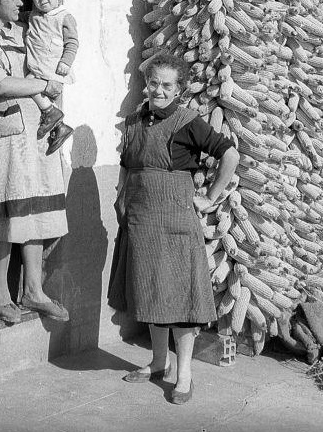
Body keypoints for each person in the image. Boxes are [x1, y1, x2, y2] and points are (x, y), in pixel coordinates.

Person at [108, 51, 238, 405]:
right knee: (151, 292)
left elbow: (230, 155)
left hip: (176, 221)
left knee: (179, 298)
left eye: (167, 85)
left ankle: (184, 376)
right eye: (154, 83)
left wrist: (209, 198)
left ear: (179, 89)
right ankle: (157, 363)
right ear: (146, 84)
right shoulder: (135, 120)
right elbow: (126, 162)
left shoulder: (187, 122)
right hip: (141, 220)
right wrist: (121, 194)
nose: (159, 90)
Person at [0, 0, 70, 326]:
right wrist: (43, 83)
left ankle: (34, 291)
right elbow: (0, 84)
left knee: (35, 212)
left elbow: (55, 51)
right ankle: (0, 295)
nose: (22, 3)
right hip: (6, 135)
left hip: (38, 134)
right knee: (4, 214)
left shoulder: (28, 33)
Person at [24, 0, 77, 155]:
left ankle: (51, 113)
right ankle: (59, 128)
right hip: (39, 64)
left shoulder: (64, 16)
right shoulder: (34, 15)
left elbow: (72, 42)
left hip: (53, 68)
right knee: (35, 85)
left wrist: (66, 62)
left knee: (30, 83)